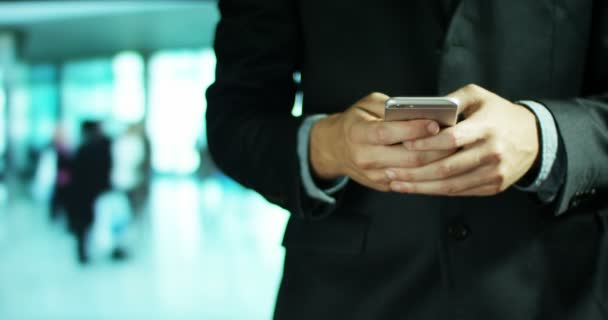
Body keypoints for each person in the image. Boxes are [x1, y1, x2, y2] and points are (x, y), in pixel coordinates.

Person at [206, 1, 608, 319]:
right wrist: (329, 146)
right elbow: (236, 116)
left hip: (556, 290)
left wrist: (544, 136)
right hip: (347, 296)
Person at [66, 121, 112, 264]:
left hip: (82, 193)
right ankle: (83, 250)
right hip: (88, 193)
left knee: (84, 223)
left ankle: (83, 250)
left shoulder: (83, 149)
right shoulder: (94, 149)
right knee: (85, 222)